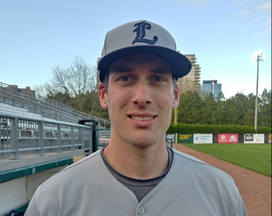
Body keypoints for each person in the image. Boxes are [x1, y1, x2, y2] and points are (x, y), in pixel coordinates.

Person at [25, 20, 248, 216]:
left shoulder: (222, 192)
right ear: (104, 94)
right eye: (126, 78)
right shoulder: (53, 200)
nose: (142, 97)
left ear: (175, 95)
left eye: (158, 78)